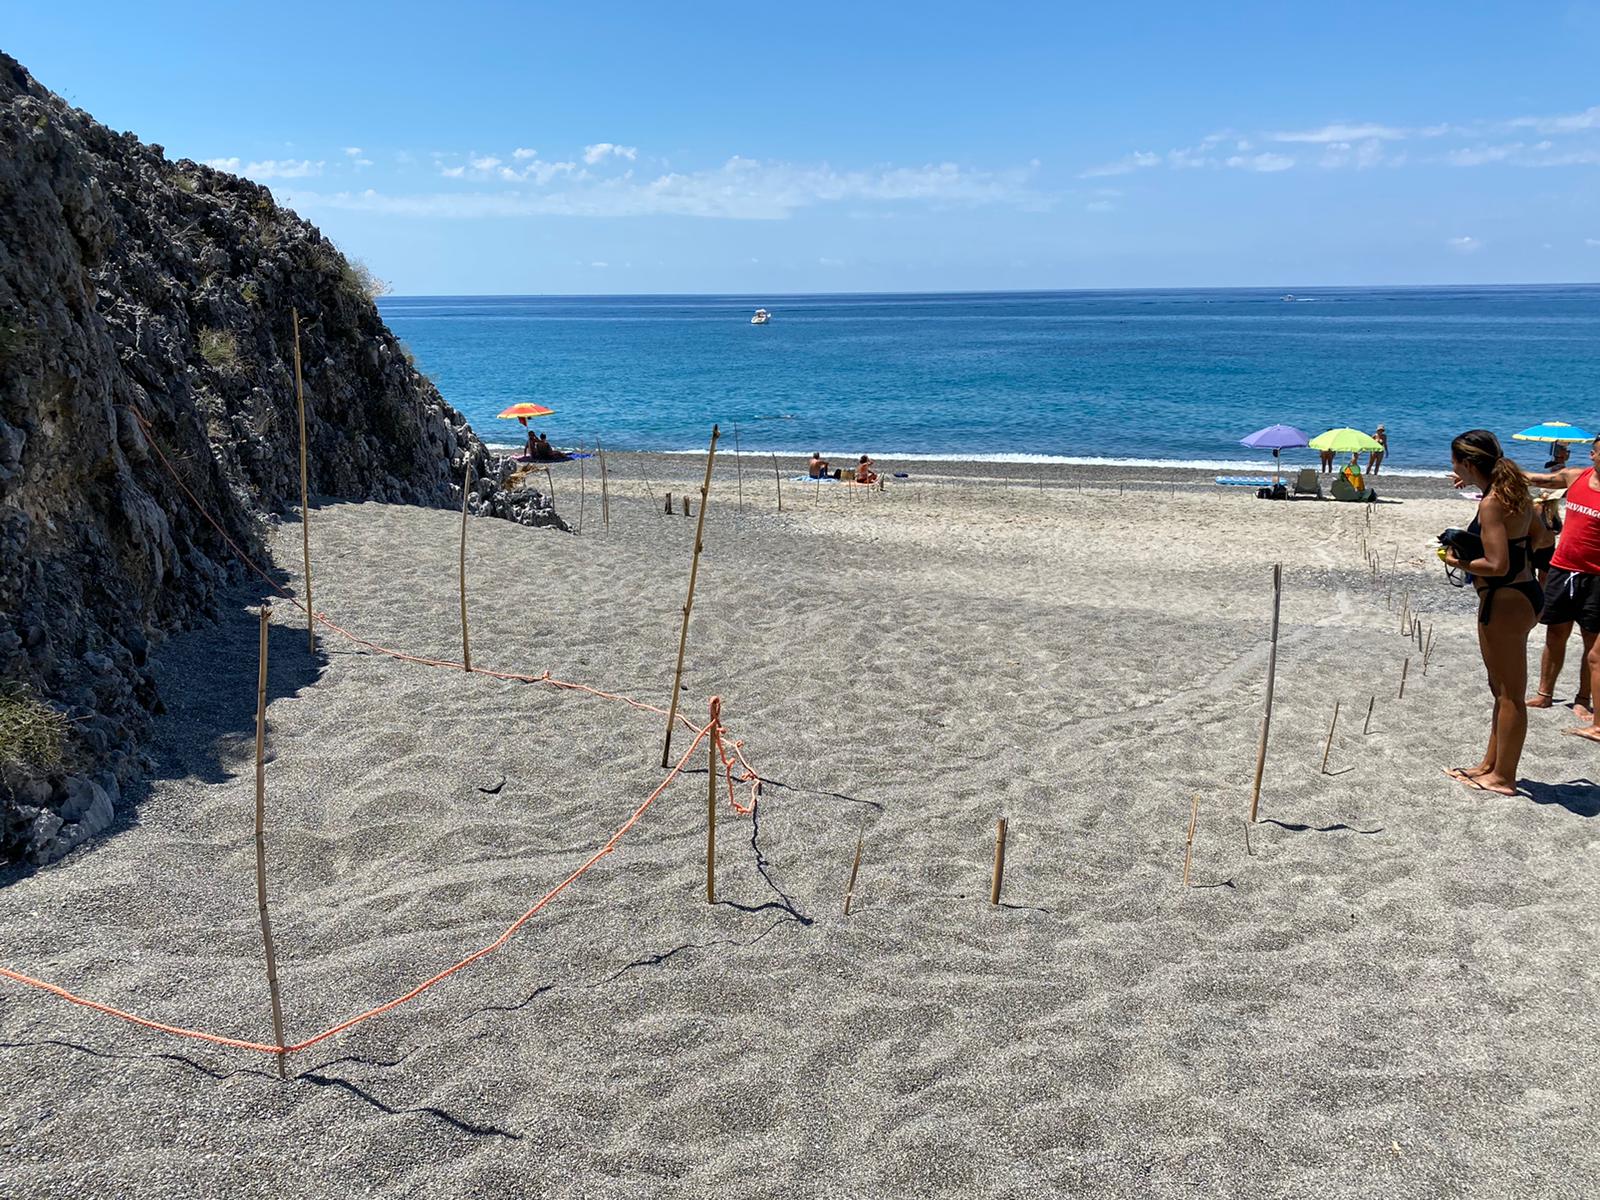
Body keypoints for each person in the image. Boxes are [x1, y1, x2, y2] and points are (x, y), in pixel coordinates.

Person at [1440, 430, 1541, 795]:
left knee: (1511, 694)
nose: (1452, 468)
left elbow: (1496, 564)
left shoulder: (1492, 502)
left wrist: (1457, 558)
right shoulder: (1514, 493)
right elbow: (1542, 537)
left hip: (1506, 598)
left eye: (1455, 462)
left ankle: (1504, 778)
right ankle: (1489, 765)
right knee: (1500, 689)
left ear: (1467, 463)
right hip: (1522, 594)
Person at [1522, 435, 1600, 732]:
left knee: (1592, 642)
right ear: (1593, 455)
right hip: (1563, 568)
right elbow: (1531, 478)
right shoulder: (1575, 477)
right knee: (1555, 633)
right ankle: (1545, 694)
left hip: (1597, 576)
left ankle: (1583, 698)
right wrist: (1490, 468)